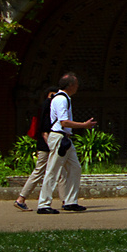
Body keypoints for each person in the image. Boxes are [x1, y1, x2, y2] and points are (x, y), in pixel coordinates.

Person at [37, 73, 96, 215]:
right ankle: (44, 204)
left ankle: (70, 201)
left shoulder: (63, 98)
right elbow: (63, 122)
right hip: (59, 137)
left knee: (75, 168)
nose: (77, 87)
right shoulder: (61, 99)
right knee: (53, 170)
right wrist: (84, 125)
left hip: (64, 138)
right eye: (75, 84)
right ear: (70, 85)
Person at [13, 87, 54, 211]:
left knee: (57, 172)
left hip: (44, 144)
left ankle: (66, 201)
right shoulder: (46, 109)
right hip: (46, 145)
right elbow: (44, 131)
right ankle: (21, 198)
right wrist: (51, 146)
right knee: (39, 171)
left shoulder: (43, 108)